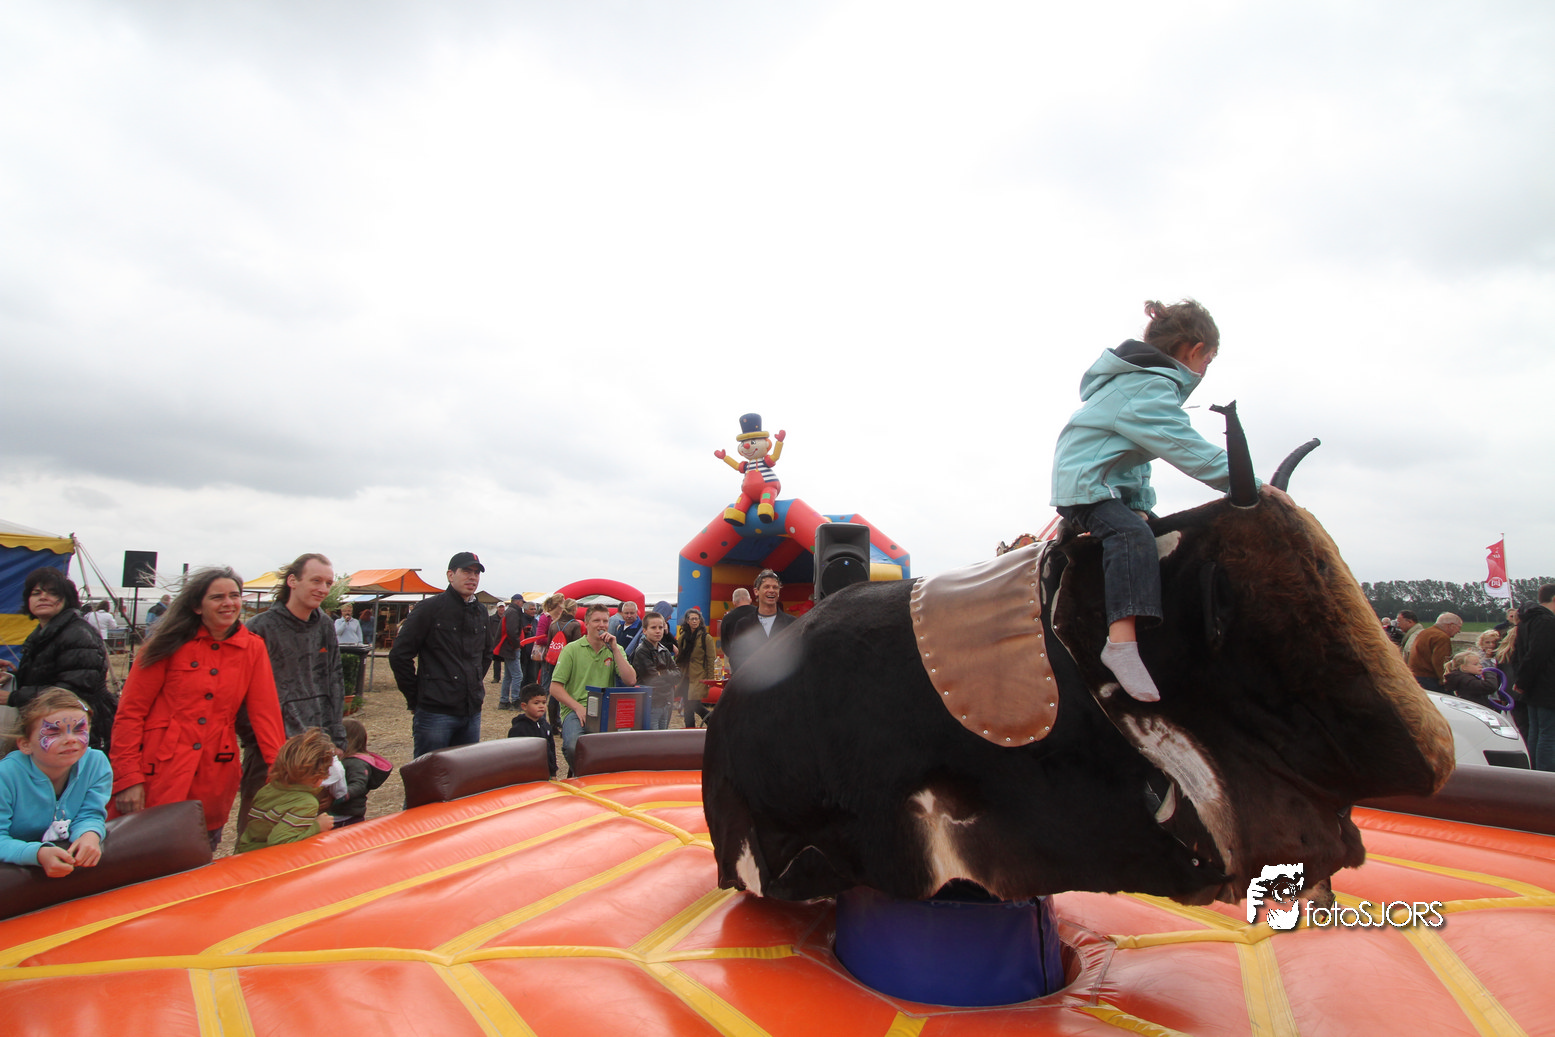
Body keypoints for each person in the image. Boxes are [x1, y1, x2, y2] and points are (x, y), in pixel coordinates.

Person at [1050, 299, 1285, 704]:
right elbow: (1184, 446)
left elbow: (1135, 462)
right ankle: (1120, 643)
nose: (1206, 368)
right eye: (1209, 359)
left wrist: (1141, 503)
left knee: (1164, 539)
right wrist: (1250, 484)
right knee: (1132, 537)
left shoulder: (1142, 385)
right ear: (1195, 350)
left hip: (1109, 483)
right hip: (1087, 486)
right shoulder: (1147, 387)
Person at [109, 567, 287, 849]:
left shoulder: (253, 648)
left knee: (199, 855)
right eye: (217, 597)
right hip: (158, 770)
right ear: (196, 606)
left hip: (214, 771)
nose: (229, 603)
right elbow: (130, 714)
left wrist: (281, 776)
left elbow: (266, 716)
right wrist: (128, 778)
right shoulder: (166, 644)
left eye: (234, 596)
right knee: (142, 857)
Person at [238, 553, 348, 837]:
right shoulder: (259, 627)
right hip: (269, 749)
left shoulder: (325, 625)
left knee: (307, 827)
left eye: (328, 583)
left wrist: (336, 738)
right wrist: (255, 738)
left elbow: (334, 680)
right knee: (258, 829)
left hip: (314, 747)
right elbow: (240, 692)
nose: (323, 589)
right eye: (316, 580)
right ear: (292, 581)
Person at [390, 552, 494, 759]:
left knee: (465, 772)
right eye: (466, 571)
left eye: (476, 573)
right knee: (430, 772)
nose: (472, 577)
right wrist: (416, 697)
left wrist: (473, 683)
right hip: (435, 712)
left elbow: (486, 653)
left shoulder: (480, 611)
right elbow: (399, 655)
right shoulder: (429, 609)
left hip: (471, 711)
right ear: (450, 575)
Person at [0, 688, 111, 877]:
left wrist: (90, 834)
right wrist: (37, 853)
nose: (70, 740)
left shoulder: (96, 763)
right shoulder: (6, 776)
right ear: (25, 744)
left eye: (79, 730)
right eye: (54, 733)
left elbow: (90, 814)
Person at [2, 568, 115, 752]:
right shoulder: (43, 632)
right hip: (52, 725)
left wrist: (14, 697)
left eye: (53, 593)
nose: (43, 597)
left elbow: (74, 690)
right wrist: (13, 675)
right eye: (36, 593)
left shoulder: (78, 634)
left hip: (78, 729)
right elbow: (46, 676)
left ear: (67, 599)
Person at [549, 603, 637, 774]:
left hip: (605, 710)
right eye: (597, 621)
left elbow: (631, 680)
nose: (601, 625)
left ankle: (595, 776)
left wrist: (615, 650)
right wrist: (577, 707)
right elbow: (555, 687)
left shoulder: (615, 649)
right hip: (576, 710)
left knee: (622, 749)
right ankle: (582, 776)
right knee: (573, 746)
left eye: (605, 621)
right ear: (587, 623)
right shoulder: (571, 650)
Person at [234, 727, 337, 853]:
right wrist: (317, 826)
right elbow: (279, 841)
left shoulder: (271, 787)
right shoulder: (306, 803)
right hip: (263, 857)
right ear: (320, 774)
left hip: (245, 850)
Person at [1511, 584, 1555, 771]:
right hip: (1547, 686)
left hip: (1532, 687)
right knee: (1548, 734)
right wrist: (1523, 681)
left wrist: (1521, 681)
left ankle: (1535, 771)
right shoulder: (1547, 621)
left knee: (1535, 731)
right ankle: (1546, 775)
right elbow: (1537, 654)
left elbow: (1517, 655)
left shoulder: (1526, 620)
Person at [721, 570, 796, 675]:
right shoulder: (744, 624)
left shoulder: (791, 623)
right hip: (753, 682)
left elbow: (797, 657)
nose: (771, 590)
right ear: (756, 591)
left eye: (775, 587)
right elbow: (735, 658)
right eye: (766, 587)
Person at [330, 718, 391, 827]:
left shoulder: (356, 763)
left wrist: (342, 795)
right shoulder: (345, 760)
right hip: (337, 814)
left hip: (347, 816)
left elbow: (359, 784)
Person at [631, 611, 681, 730]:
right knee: (651, 737)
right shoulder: (642, 651)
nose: (658, 631)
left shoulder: (664, 650)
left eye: (660, 627)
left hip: (666, 702)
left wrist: (663, 673)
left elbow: (678, 675)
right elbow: (652, 680)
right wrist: (669, 678)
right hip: (651, 703)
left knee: (663, 737)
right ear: (644, 631)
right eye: (653, 628)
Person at [506, 684, 557, 777]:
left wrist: (553, 772)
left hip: (545, 773)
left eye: (544, 702)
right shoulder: (518, 729)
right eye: (536, 703)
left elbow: (551, 750)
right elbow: (513, 756)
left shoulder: (545, 725)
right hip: (526, 775)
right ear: (524, 706)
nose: (541, 706)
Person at [676, 607, 715, 728]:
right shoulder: (683, 637)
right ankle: (690, 729)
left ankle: (712, 721)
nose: (694, 621)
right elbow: (678, 656)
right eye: (692, 619)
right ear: (687, 621)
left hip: (698, 676)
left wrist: (710, 679)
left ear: (700, 621)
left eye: (696, 619)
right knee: (688, 706)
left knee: (694, 704)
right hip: (685, 676)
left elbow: (711, 659)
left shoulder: (706, 638)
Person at [1408, 613, 1462, 693]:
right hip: (1430, 680)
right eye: (1459, 627)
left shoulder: (1424, 633)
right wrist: (1445, 681)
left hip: (1416, 677)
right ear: (1451, 625)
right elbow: (1441, 662)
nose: (1459, 631)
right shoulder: (1441, 637)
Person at [493, 596, 527, 709]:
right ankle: (515, 700)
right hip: (510, 647)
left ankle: (504, 701)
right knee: (517, 675)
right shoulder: (513, 612)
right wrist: (516, 645)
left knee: (508, 676)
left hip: (507, 647)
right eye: (522, 602)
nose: (522, 604)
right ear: (518, 602)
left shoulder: (510, 611)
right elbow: (512, 631)